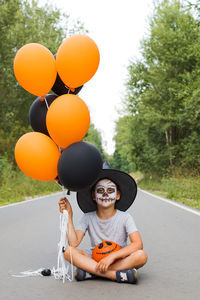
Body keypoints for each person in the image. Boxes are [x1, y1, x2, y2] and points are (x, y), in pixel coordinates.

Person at [58, 163, 148, 284]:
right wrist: (68, 215)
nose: (105, 194)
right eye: (100, 190)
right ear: (94, 196)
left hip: (118, 260)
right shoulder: (88, 217)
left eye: (110, 190)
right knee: (68, 251)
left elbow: (138, 244)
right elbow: (73, 243)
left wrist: (112, 257)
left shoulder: (125, 217)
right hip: (94, 258)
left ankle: (92, 272)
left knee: (141, 256)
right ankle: (115, 275)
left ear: (117, 195)